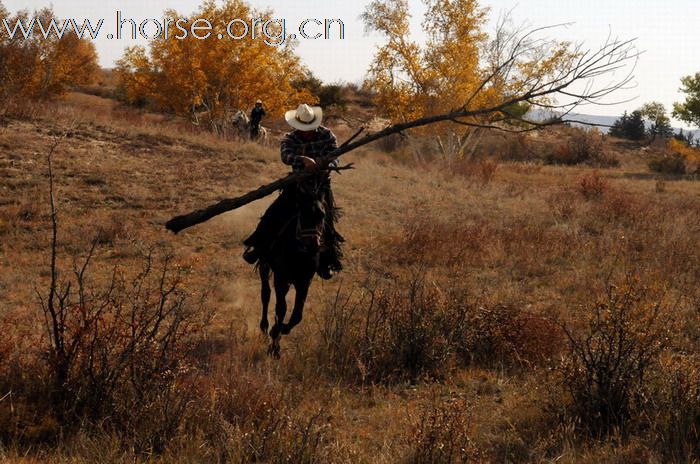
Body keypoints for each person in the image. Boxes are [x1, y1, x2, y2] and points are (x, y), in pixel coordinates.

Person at [242, 104, 344, 280]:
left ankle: (327, 261)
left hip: (321, 186)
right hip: (298, 185)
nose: (306, 132)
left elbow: (336, 156)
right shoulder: (291, 138)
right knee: (273, 213)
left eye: (308, 128)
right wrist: (302, 159)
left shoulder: (327, 135)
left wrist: (326, 166)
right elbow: (285, 156)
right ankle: (258, 248)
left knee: (326, 220)